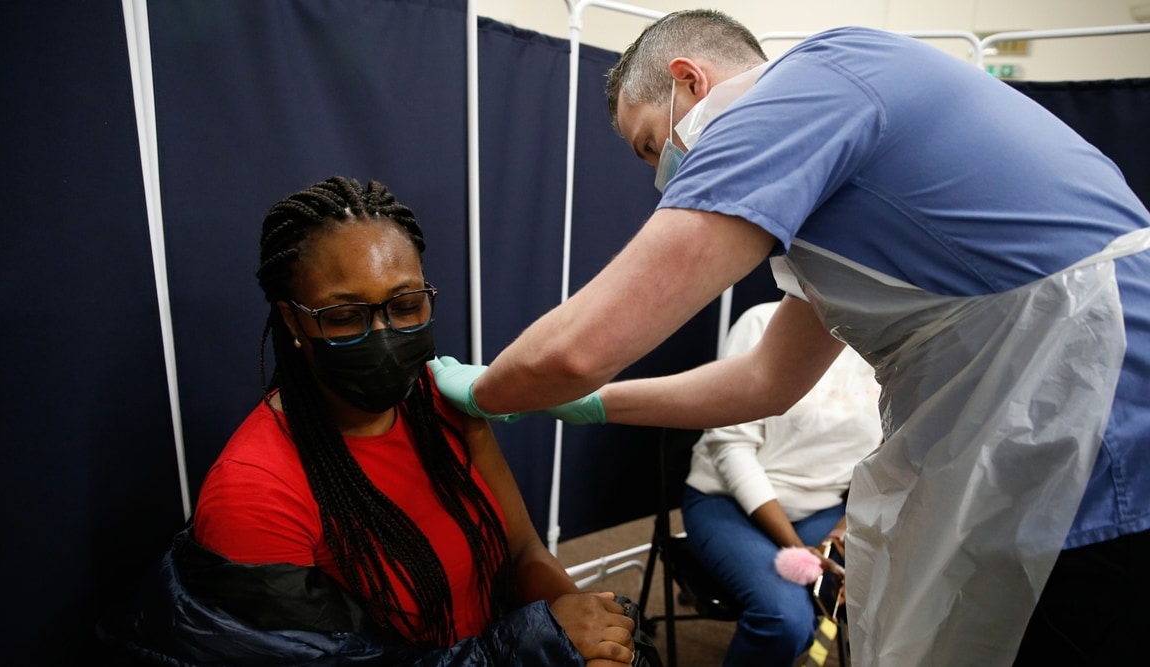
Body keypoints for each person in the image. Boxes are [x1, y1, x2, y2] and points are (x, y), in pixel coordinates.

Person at [427, 9, 1150, 666]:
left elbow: (574, 350)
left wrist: (488, 390)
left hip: (1091, 398)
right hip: (1049, 401)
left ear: (689, 80)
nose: (659, 179)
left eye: (652, 146)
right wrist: (591, 404)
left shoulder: (797, 91)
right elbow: (768, 379)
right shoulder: (839, 189)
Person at [97, 176, 636, 666]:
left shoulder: (438, 400)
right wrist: (531, 644)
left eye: (406, 306)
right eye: (345, 315)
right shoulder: (253, 492)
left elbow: (522, 550)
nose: (384, 334)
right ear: (292, 320)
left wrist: (582, 629)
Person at [682, 300, 881, 666]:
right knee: (785, 621)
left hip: (827, 508)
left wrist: (843, 533)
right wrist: (795, 547)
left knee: (888, 602)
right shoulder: (760, 322)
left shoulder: (886, 346)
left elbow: (886, 461)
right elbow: (731, 446)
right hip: (727, 501)